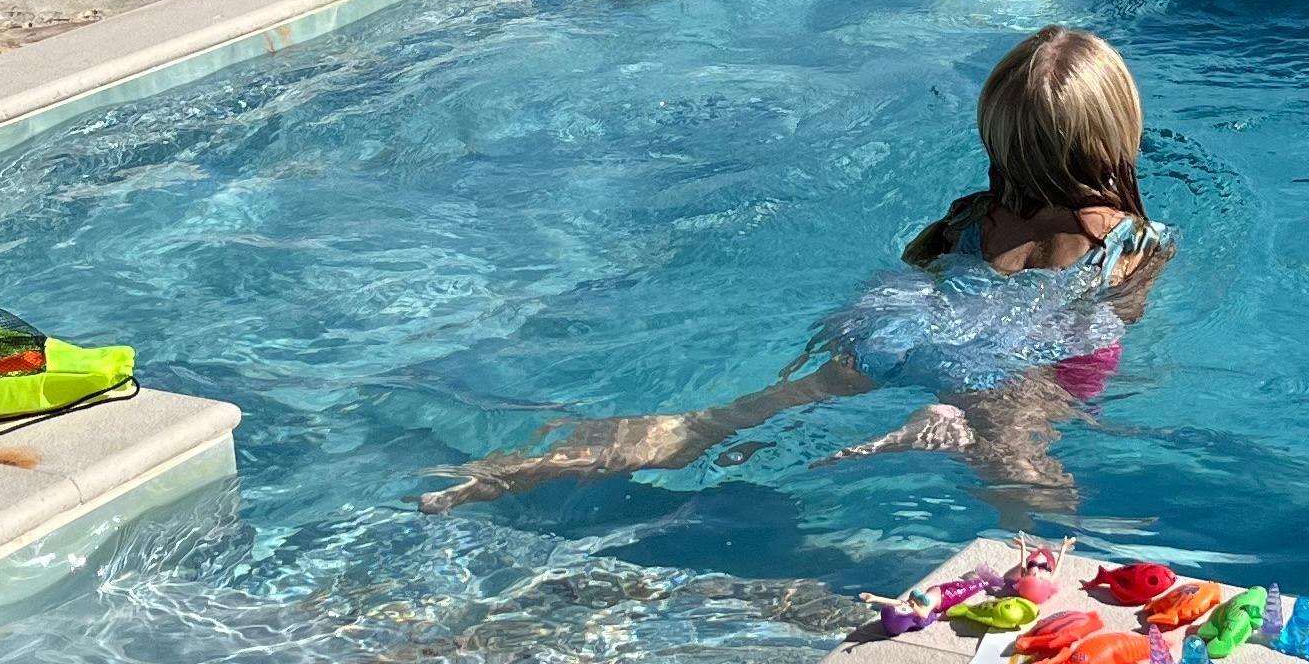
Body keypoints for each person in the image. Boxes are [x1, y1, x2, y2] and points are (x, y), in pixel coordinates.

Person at [419, 27, 1172, 517]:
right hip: (1018, 364)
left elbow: (924, 274)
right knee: (1025, 468)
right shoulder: (1134, 241)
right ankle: (965, 449)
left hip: (904, 331)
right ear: (1117, 133)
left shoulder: (970, 216)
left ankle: (530, 466)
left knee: (725, 418)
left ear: (994, 130)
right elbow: (1106, 327)